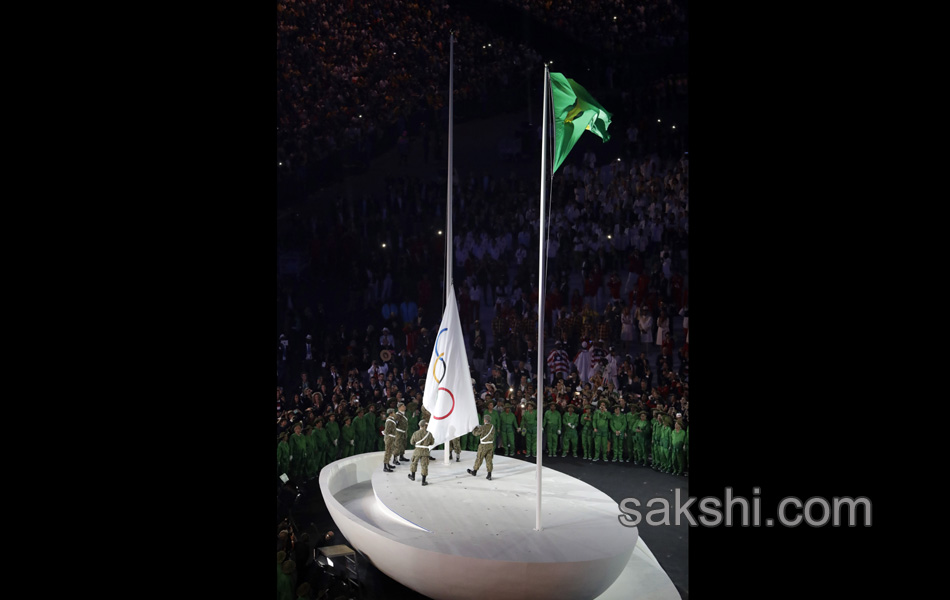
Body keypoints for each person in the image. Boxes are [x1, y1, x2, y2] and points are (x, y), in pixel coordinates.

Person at [467, 414, 496, 480]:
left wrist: (474, 429)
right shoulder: (492, 427)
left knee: (479, 458)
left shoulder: (482, 427)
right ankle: (489, 474)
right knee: (489, 460)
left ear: (485, 420)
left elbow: (475, 434)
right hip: (490, 445)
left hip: (483, 446)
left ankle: (474, 471)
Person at [407, 419, 435, 485]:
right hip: (425, 451)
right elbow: (432, 442)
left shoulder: (415, 433)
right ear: (425, 426)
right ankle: (423, 481)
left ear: (420, 425)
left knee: (414, 463)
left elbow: (411, 442)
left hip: (417, 451)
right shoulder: (429, 434)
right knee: (424, 465)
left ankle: (413, 476)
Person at [382, 408, 398, 472]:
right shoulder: (389, 421)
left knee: (390, 451)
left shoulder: (392, 420)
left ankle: (388, 463)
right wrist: (385, 432)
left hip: (391, 437)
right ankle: (385, 466)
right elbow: (387, 430)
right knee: (388, 451)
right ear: (391, 413)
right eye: (393, 412)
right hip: (389, 438)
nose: (394, 414)